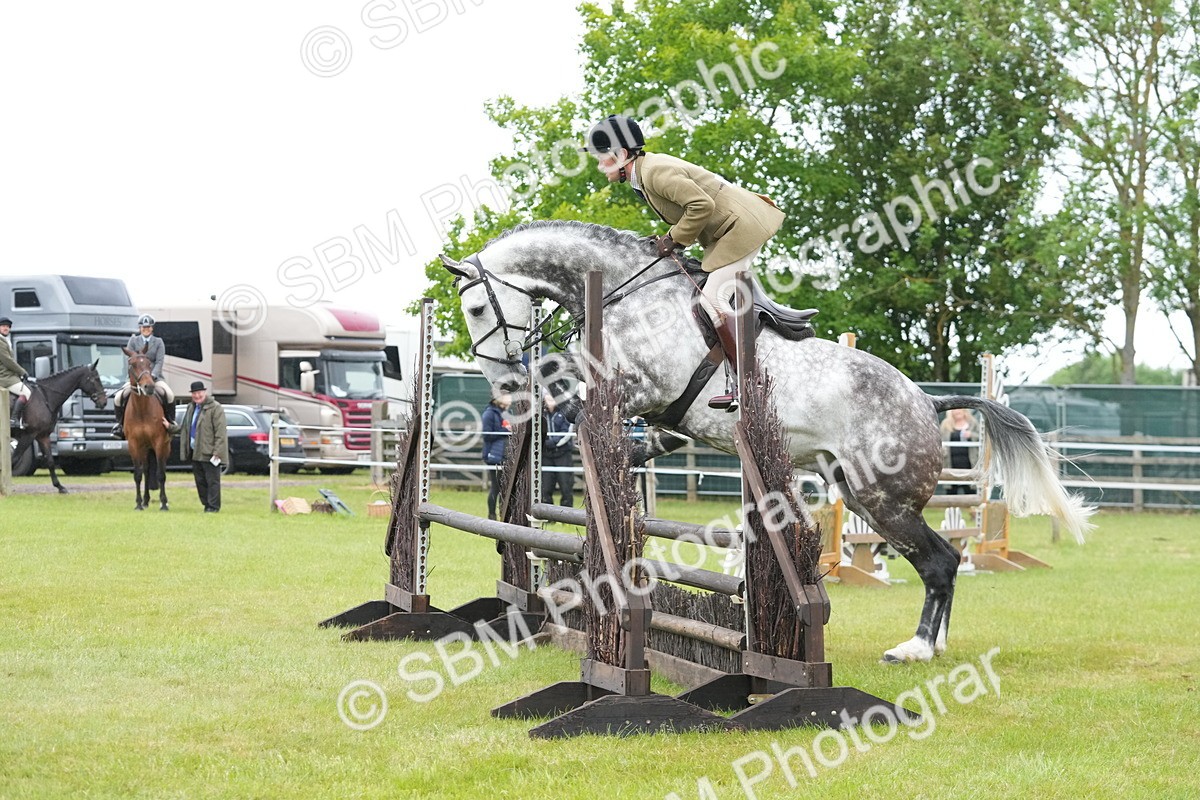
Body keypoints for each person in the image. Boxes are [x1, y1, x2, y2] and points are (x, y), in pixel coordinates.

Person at [582, 114, 786, 411]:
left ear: (622, 155)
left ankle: (748, 384)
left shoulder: (654, 172)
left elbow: (702, 205)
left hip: (742, 228)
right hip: (727, 229)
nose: (600, 166)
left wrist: (674, 238)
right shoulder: (644, 172)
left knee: (711, 298)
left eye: (603, 159)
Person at [112, 314, 176, 438]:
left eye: (148, 327)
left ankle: (171, 422)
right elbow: (130, 360)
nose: (146, 329)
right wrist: (136, 377)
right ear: (140, 328)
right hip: (136, 378)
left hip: (154, 378)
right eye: (143, 327)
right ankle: (119, 425)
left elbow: (159, 361)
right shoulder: (133, 341)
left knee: (169, 395)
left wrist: (152, 375)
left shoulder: (158, 342)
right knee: (118, 397)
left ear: (152, 328)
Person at [180, 380, 228, 513]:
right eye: (194, 393)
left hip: (210, 452)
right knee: (200, 481)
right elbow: (185, 427)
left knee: (212, 481)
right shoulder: (191, 407)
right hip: (195, 452)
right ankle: (206, 504)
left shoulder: (215, 408)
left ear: (205, 392)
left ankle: (213, 507)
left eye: (199, 393)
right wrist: (169, 427)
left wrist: (217, 451)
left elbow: (221, 432)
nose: (197, 396)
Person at [481, 391, 512, 520]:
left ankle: (502, 514)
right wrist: (506, 431)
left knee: (504, 487)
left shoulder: (504, 414)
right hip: (494, 456)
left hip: (504, 455)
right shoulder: (489, 413)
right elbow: (487, 435)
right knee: (496, 487)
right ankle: (492, 515)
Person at [541, 392, 575, 507]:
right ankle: (547, 514)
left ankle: (567, 515)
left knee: (566, 485)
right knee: (545, 486)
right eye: (548, 396)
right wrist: (544, 443)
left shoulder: (565, 412)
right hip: (545, 454)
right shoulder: (541, 413)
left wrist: (552, 443)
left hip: (562, 453)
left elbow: (566, 432)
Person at [0, 316, 33, 430]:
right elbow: (8, 361)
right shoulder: (0, 342)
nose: (6, 328)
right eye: (3, 326)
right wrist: (22, 372)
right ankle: (13, 419)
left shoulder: (5, 341)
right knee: (27, 392)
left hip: (10, 375)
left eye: (8, 327)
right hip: (5, 377)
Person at [940, 408, 979, 494]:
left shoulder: (973, 423)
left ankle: (971, 506)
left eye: (959, 409)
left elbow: (981, 437)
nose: (957, 411)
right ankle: (951, 507)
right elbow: (940, 440)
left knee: (970, 491)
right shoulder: (945, 424)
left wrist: (971, 435)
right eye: (954, 409)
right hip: (950, 462)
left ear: (965, 410)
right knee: (951, 491)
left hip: (969, 462)